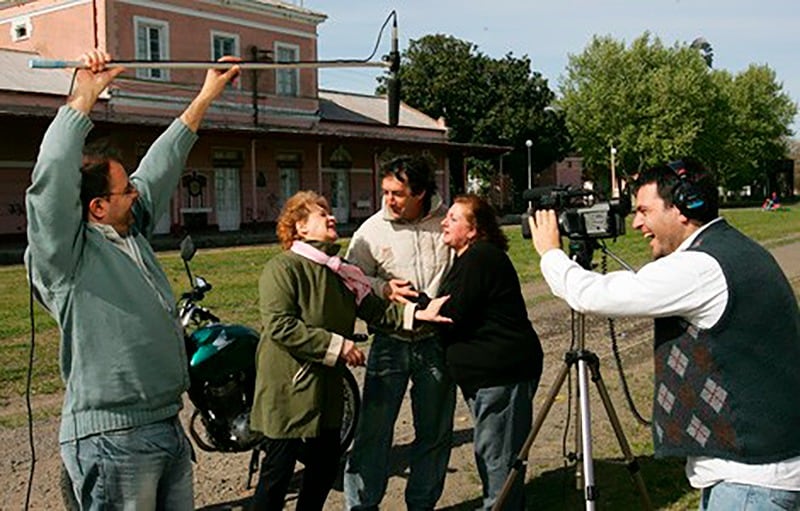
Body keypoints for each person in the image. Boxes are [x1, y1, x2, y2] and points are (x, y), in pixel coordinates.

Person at [24, 49, 239, 509]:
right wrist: (84, 97)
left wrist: (206, 94)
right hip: (113, 438)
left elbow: (162, 165)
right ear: (98, 206)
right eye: (126, 190)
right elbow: (50, 182)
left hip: (164, 423)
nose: (137, 193)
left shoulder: (130, 233)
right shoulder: (65, 257)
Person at [529, 159, 800, 510]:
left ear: (684, 208)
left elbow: (593, 295)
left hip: (750, 480)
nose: (636, 223)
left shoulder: (700, 267)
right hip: (760, 468)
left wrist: (551, 253)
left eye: (644, 210)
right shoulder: (733, 249)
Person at [250, 191, 452, 510]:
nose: (331, 217)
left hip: (328, 388)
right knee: (278, 473)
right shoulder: (283, 267)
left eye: (329, 211)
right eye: (321, 214)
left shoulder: (340, 271)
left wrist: (417, 314)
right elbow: (280, 325)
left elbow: (375, 310)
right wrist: (338, 345)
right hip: (288, 389)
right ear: (300, 227)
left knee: (324, 467)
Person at [343, 155, 456, 510]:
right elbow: (351, 279)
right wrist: (383, 287)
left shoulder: (446, 222)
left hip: (436, 343)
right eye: (385, 192)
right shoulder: (370, 231)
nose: (388, 200)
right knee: (372, 434)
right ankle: (361, 506)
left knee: (434, 432)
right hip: (389, 342)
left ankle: (422, 505)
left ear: (420, 192)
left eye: (397, 193)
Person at [437, 194, 543, 510]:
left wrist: (414, 307)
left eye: (454, 218)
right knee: (493, 452)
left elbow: (453, 311)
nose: (444, 222)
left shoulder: (480, 257)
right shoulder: (469, 259)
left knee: (499, 457)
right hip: (489, 376)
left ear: (474, 229)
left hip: (502, 375)